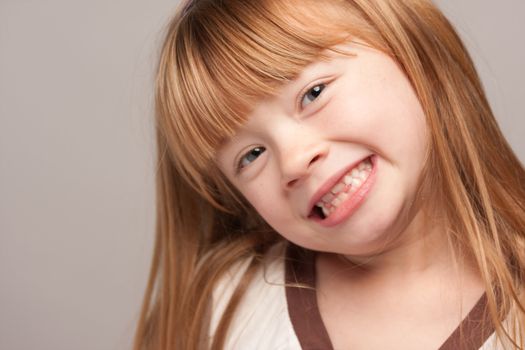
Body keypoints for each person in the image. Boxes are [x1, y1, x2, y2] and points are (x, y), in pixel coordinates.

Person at [133, 0, 525, 349]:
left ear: (412, 51)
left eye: (314, 93)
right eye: (252, 155)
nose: (293, 161)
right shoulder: (224, 313)